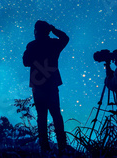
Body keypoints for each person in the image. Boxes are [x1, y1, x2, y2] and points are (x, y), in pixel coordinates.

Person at [23, 20, 69, 155]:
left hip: (38, 85)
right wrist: (54, 29)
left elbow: (26, 62)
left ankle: (44, 147)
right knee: (56, 115)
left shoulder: (32, 45)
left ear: (36, 31)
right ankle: (62, 146)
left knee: (42, 116)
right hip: (52, 83)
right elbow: (65, 38)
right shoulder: (54, 44)